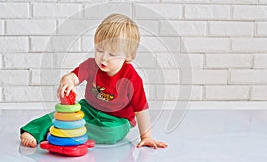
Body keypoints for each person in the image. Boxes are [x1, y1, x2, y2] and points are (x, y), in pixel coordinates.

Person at [20, 14, 167, 149]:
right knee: (59, 115)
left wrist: (146, 137)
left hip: (117, 119)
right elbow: (72, 77)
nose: (103, 58)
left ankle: (64, 133)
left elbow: (141, 111)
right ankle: (36, 131)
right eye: (99, 50)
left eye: (112, 54)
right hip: (89, 108)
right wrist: (68, 82)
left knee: (110, 133)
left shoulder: (132, 79)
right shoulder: (91, 65)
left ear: (128, 56)